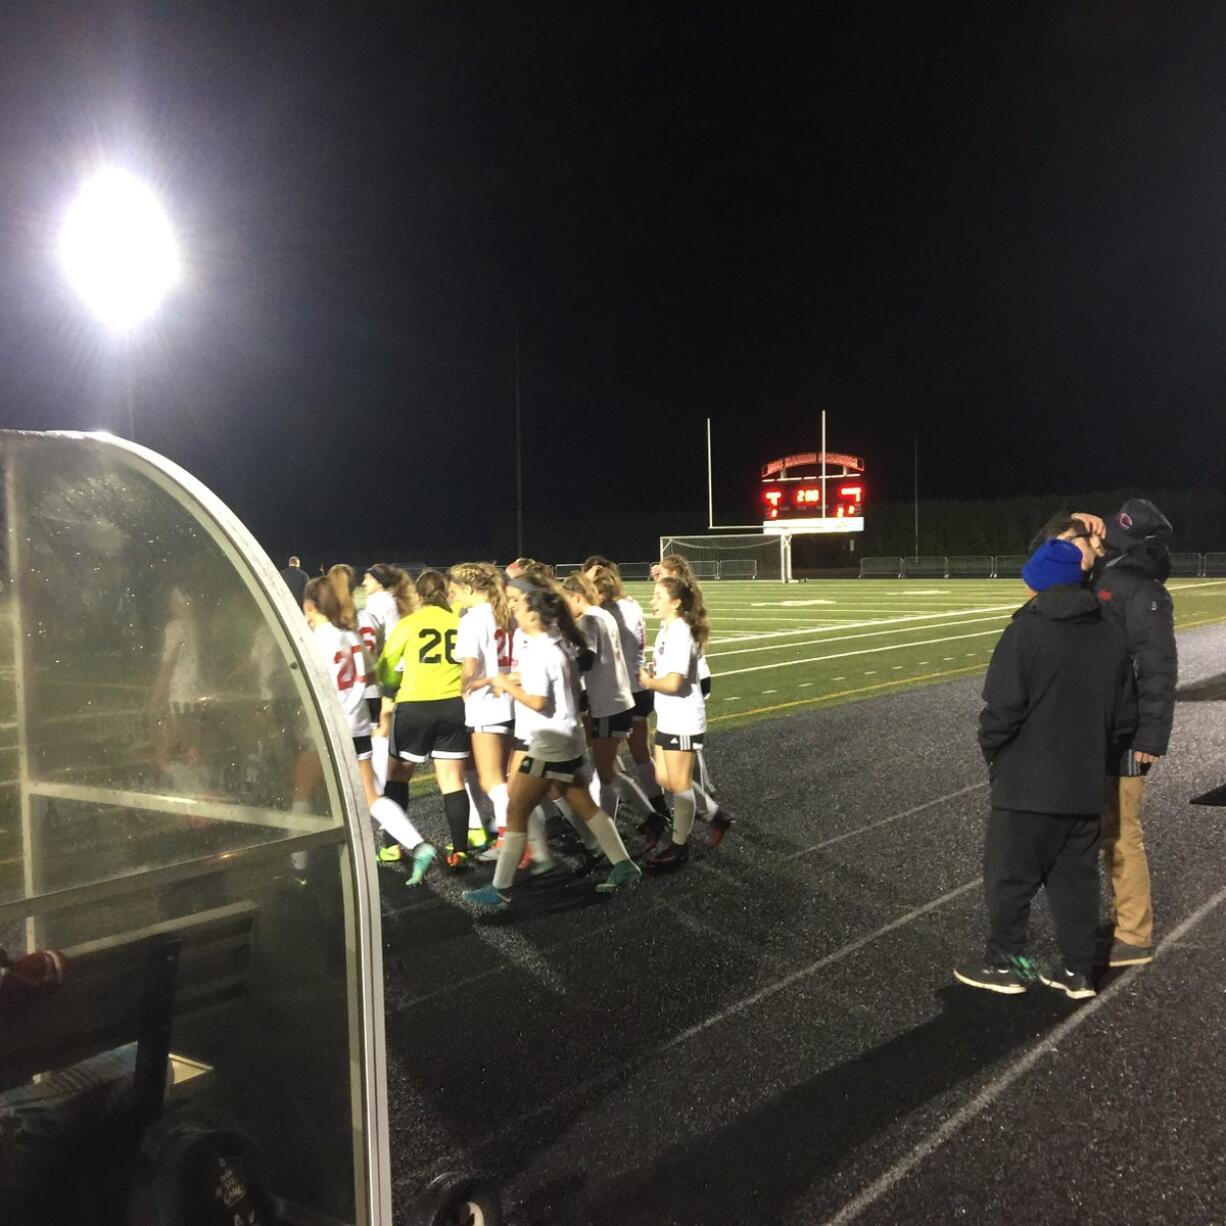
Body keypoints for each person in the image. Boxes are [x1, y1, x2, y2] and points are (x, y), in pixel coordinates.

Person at [955, 539, 1137, 1000]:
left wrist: (996, 756)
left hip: (1026, 784)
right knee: (1075, 882)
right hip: (1083, 782)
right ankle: (1077, 971)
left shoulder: (1026, 631)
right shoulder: (1111, 631)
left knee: (1009, 881)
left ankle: (1009, 965)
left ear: (1037, 581)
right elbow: (1124, 717)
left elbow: (1002, 710)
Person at [462, 575, 641, 907]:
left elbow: (538, 701)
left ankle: (500, 888)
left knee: (516, 808)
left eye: (519, 605)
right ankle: (624, 864)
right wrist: (495, 679)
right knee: (585, 806)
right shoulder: (553, 643)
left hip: (549, 742)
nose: (513, 610)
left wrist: (509, 687)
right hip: (566, 738)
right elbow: (535, 682)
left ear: (534, 614)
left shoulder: (541, 649)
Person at [1077, 499, 1178, 967]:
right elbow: (1039, 563)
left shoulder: (1143, 589)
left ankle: (1134, 934)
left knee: (1120, 833)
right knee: (1091, 830)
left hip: (1124, 732)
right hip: (1090, 726)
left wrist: (1150, 739)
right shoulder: (1103, 574)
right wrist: (1071, 520)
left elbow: (1158, 668)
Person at [302, 577, 435, 886]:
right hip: (357, 721)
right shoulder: (350, 636)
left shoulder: (314, 639)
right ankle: (417, 843)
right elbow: (372, 672)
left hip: (328, 726)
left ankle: (301, 865)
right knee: (370, 795)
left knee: (303, 790)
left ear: (310, 605)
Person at [376, 569, 473, 871]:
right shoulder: (459, 623)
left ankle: (392, 846)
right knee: (452, 780)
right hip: (453, 706)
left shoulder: (409, 623)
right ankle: (459, 851)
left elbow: (386, 666)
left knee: (398, 775)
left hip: (415, 706)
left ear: (419, 596)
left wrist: (392, 686)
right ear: (446, 591)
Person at [637, 576, 713, 870]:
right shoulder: (666, 630)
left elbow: (673, 682)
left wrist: (647, 681)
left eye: (658, 596)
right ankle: (707, 812)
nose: (652, 602)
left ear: (677, 602)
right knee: (664, 779)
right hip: (668, 715)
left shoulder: (681, 632)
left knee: (679, 784)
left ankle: (680, 846)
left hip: (683, 717)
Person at [448, 562, 515, 848]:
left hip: (487, 705)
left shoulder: (473, 619)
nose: (455, 596)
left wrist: (464, 687)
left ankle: (512, 840)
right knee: (502, 777)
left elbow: (470, 666)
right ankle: (511, 835)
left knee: (492, 782)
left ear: (468, 588)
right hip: (512, 702)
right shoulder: (507, 613)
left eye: (457, 590)